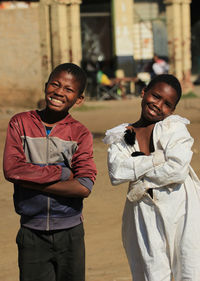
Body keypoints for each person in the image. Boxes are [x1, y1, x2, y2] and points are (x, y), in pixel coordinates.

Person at [3, 63, 97, 281]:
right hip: (31, 232)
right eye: (55, 84)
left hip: (70, 232)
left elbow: (84, 186)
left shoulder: (80, 133)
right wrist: (63, 173)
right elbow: (11, 169)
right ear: (46, 86)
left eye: (68, 89)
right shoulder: (20, 123)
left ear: (79, 99)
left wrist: (29, 181)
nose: (59, 92)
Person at [103, 74, 200, 281]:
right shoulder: (121, 135)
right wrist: (157, 159)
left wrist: (140, 176)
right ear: (144, 92)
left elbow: (177, 169)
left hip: (182, 205)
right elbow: (117, 172)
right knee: (152, 272)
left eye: (167, 104)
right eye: (156, 96)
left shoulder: (174, 128)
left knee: (189, 268)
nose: (158, 105)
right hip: (143, 208)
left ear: (172, 111)